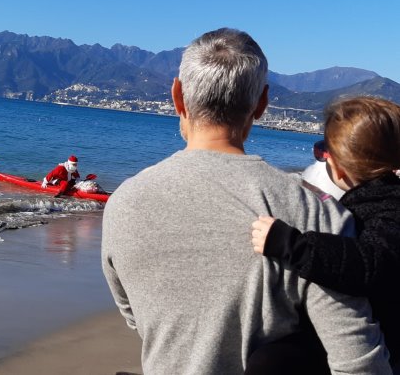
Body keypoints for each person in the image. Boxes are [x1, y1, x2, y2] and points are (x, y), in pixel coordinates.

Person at [101, 28, 390, 374]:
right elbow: (358, 361)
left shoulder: (123, 204)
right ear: (262, 104)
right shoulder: (315, 214)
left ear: (177, 96)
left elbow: (138, 319)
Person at [251, 96, 400, 369]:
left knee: (269, 361)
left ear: (339, 167)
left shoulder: (389, 209)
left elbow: (369, 263)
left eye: (323, 151)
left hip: (385, 345)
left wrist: (290, 244)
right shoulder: (380, 201)